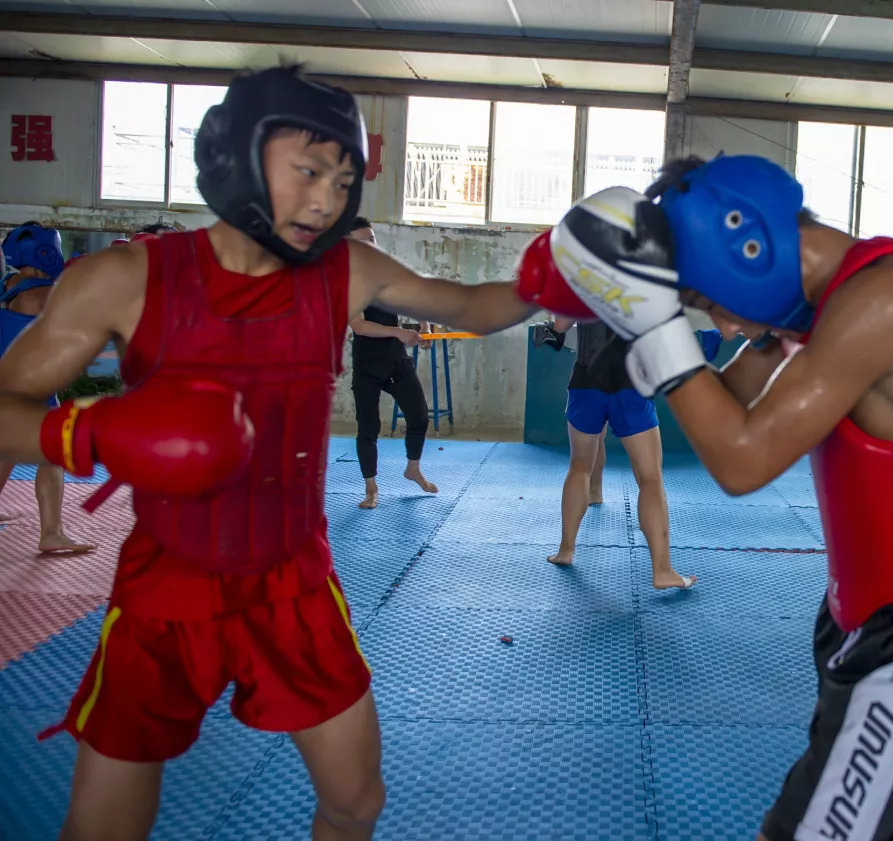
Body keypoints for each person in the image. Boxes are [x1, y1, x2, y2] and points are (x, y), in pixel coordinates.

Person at [0, 64, 581, 841]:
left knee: (355, 801)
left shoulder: (344, 270)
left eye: (343, 181)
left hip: (294, 586)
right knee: (103, 826)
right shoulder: (125, 278)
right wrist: (97, 431)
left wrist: (560, 272)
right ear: (236, 154)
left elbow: (469, 305)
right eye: (308, 171)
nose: (326, 200)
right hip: (163, 589)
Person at [534, 155, 893, 841]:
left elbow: (742, 461)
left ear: (747, 247)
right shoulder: (817, 309)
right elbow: (726, 399)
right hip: (862, 616)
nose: (725, 326)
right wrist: (638, 332)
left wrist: (658, 331)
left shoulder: (885, 301)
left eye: (708, 301)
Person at [544, 315, 696, 590]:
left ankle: (566, 550)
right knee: (650, 479)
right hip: (630, 383)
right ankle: (662, 571)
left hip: (586, 381)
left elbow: (561, 326)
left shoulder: (580, 287)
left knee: (579, 467)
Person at [0, 222, 94, 554]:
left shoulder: (6, 285)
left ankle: (52, 532)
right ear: (47, 250)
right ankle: (52, 532)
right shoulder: (44, 295)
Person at [346, 216, 437, 510]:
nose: (369, 246)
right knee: (368, 427)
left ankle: (413, 468)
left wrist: (424, 326)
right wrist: (399, 332)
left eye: (371, 239)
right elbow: (359, 326)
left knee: (419, 416)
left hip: (395, 360)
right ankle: (371, 488)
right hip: (368, 364)